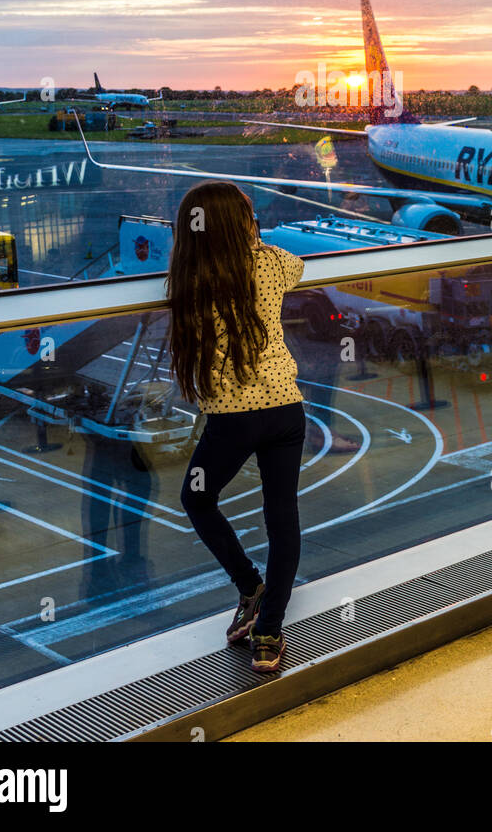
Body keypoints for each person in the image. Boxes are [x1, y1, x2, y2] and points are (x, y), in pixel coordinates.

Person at [169, 181, 306, 674]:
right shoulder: (270, 263)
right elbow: (298, 266)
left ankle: (250, 587)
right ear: (243, 224)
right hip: (286, 411)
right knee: (282, 517)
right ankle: (269, 630)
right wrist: (256, 241)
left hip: (233, 420)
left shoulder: (191, 276)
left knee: (197, 498)